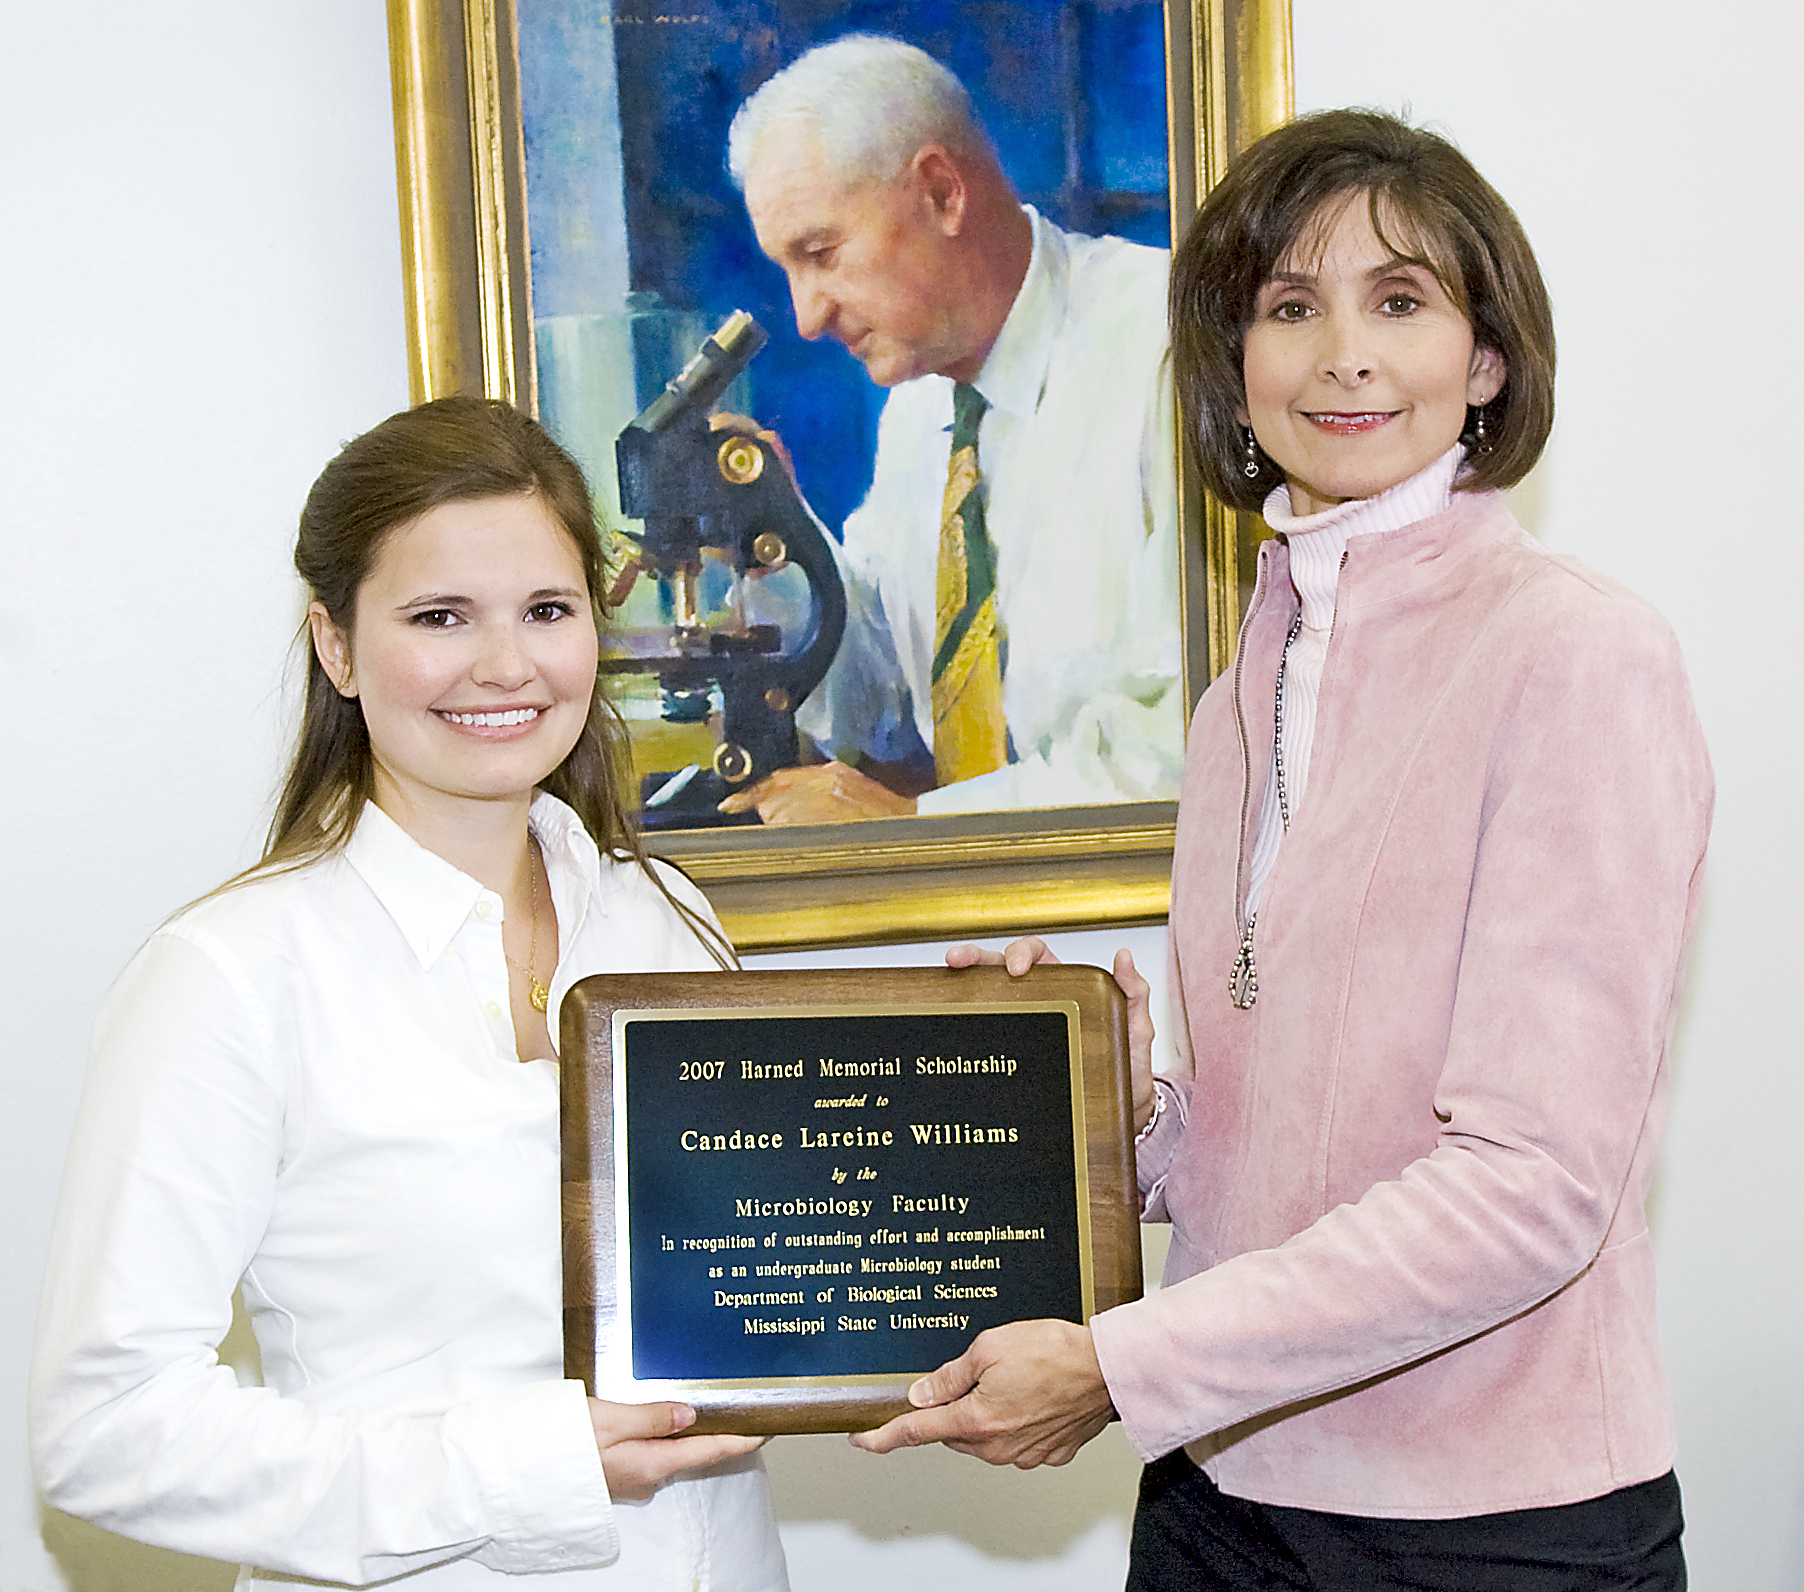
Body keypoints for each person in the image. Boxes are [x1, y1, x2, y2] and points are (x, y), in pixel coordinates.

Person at [850, 110, 1712, 1591]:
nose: (1344, 356)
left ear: (1487, 358)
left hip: (1487, 1526)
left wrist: (1126, 1362)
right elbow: (1287, 1147)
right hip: (1224, 1495)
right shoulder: (1248, 680)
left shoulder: (1579, 655)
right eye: (1289, 308)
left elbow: (1529, 1184)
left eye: (1401, 301)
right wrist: (1127, 1111)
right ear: (1234, 372)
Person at [29, 399, 788, 1590]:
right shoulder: (228, 976)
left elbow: (796, 1249)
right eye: (440, 617)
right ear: (335, 645)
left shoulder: (665, 916)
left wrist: (1005, 1058)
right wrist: (518, 1466)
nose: (505, 665)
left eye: (548, 609)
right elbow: (107, 1431)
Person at [717, 34, 1183, 824]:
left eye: (822, 253)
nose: (806, 316)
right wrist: (780, 540)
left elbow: (1190, 748)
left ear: (942, 191)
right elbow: (874, 707)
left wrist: (919, 831)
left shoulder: (1171, 351)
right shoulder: (923, 405)